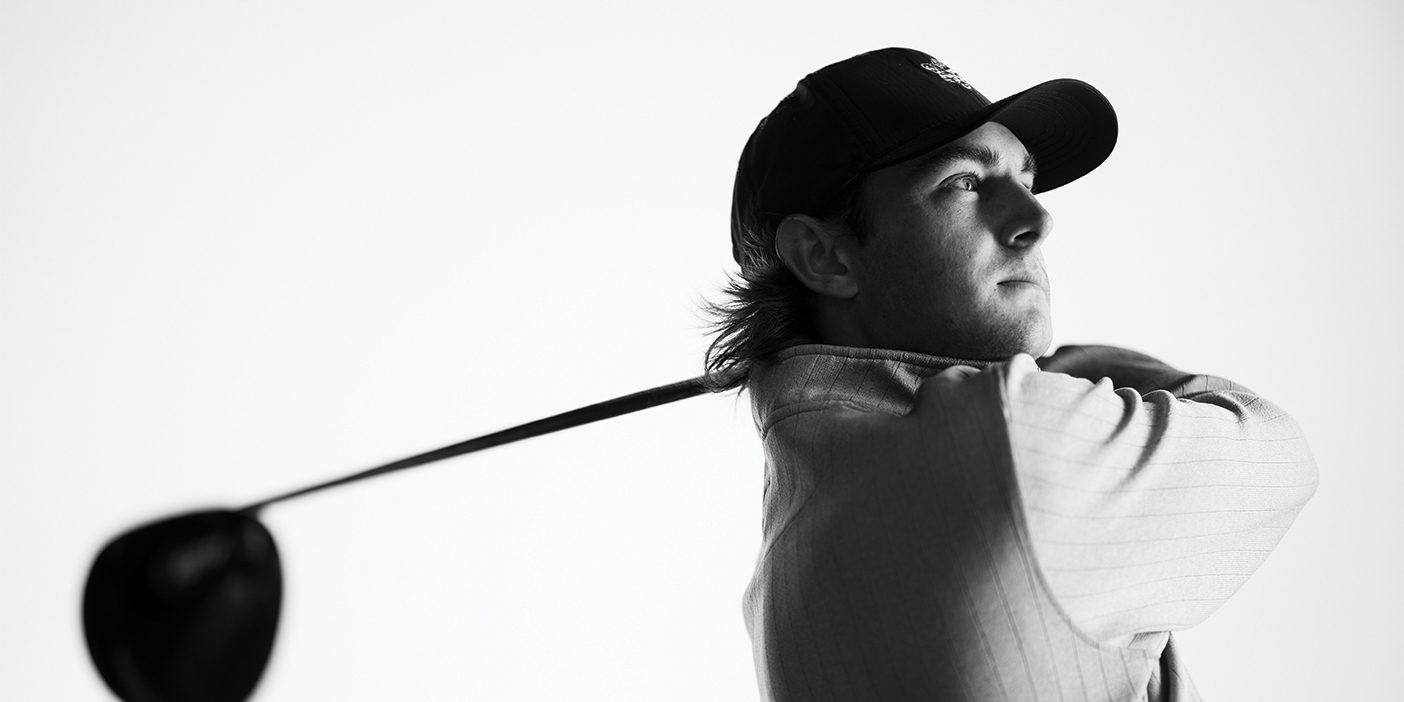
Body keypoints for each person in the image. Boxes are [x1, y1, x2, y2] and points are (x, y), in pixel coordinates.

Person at [704, 48, 1317, 702]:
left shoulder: (784, 557)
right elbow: (1276, 451)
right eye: (965, 183)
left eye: (1025, 180)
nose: (1036, 220)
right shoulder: (1010, 440)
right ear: (826, 256)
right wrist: (1053, 370)